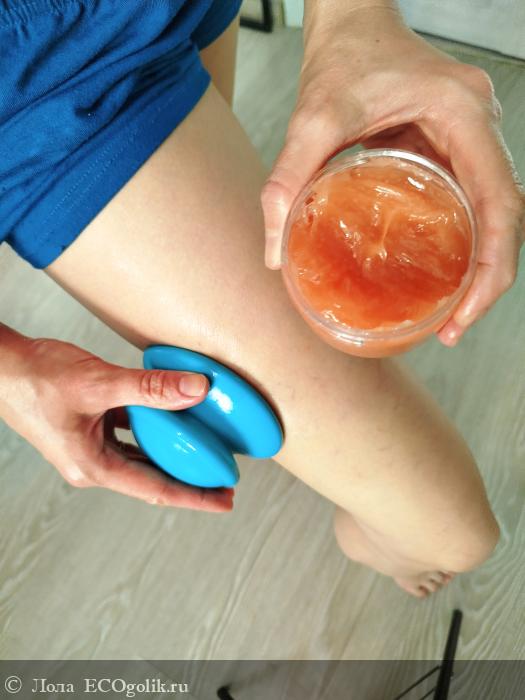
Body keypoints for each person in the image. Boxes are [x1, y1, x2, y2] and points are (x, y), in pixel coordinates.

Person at [0, 0, 522, 598]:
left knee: (223, 168)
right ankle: (376, 541)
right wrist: (9, 373)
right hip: (40, 81)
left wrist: (354, 18)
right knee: (455, 535)